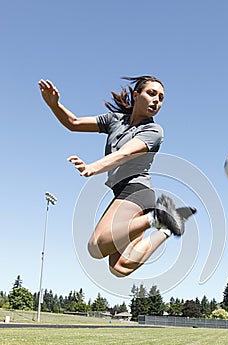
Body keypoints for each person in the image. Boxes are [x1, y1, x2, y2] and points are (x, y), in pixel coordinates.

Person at [38, 76, 196, 277]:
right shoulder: (114, 120)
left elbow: (125, 154)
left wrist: (92, 168)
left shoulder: (153, 130)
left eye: (161, 98)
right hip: (122, 192)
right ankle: (166, 227)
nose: (157, 100)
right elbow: (74, 122)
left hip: (136, 190)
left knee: (96, 246)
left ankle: (156, 216)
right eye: (151, 93)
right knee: (119, 268)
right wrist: (55, 105)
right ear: (136, 95)